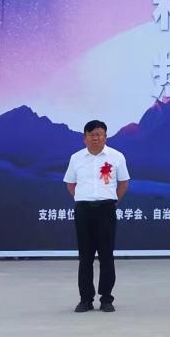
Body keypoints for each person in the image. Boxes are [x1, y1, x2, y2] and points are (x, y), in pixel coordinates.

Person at [63, 120, 130, 313]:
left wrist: (112, 201)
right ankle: (85, 299)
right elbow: (70, 184)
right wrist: (83, 198)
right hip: (83, 210)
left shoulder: (116, 156)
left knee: (106, 255)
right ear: (84, 138)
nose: (95, 138)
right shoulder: (76, 158)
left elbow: (123, 183)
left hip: (106, 209)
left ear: (105, 137)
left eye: (99, 134)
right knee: (85, 257)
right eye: (91, 135)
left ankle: (106, 299)